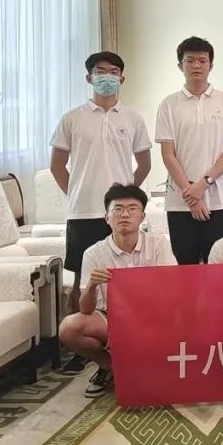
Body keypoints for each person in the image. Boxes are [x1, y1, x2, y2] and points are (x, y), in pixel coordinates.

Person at [50, 51, 151, 374]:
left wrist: (125, 201)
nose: (107, 76)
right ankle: (83, 348)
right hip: (82, 212)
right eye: (100, 71)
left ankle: (131, 339)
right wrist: (76, 195)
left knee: (126, 276)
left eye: (113, 71)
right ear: (89, 77)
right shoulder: (72, 118)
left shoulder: (132, 118)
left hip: (120, 214)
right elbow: (57, 165)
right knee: (82, 277)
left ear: (122, 78)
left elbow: (144, 164)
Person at [57, 184, 176, 398]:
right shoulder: (93, 253)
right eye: (118, 209)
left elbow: (173, 289)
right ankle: (110, 366)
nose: (125, 214)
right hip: (111, 320)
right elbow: (86, 310)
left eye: (132, 209)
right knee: (69, 328)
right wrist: (91, 286)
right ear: (107, 217)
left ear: (142, 216)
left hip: (154, 317)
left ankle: (152, 365)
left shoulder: (159, 245)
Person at [155, 36, 223, 265]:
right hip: (180, 202)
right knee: (185, 266)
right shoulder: (168, 105)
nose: (196, 65)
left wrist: (202, 185)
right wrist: (191, 196)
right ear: (180, 65)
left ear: (211, 65)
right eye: (190, 60)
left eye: (202, 61)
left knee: (218, 266)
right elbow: (168, 154)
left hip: (219, 200)